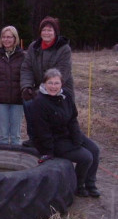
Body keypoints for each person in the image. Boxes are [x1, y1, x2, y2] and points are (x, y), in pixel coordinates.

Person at [31, 68, 100, 198]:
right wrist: (48, 151)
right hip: (54, 141)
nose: (53, 86)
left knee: (94, 150)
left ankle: (90, 184)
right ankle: (78, 187)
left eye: (56, 83)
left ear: (61, 84)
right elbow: (41, 131)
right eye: (50, 83)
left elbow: (73, 119)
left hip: (68, 134)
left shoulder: (66, 95)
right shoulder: (39, 102)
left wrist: (77, 138)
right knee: (86, 157)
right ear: (44, 83)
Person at [20, 16, 74, 147]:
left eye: (50, 30)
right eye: (44, 30)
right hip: (40, 89)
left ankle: (57, 142)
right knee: (28, 102)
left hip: (59, 89)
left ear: (55, 32)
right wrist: (27, 87)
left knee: (52, 115)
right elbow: (26, 68)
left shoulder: (63, 48)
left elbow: (61, 73)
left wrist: (41, 91)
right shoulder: (34, 47)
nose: (46, 33)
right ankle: (34, 138)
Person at [0, 26, 25, 144]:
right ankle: (2, 160)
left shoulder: (23, 56)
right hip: (1, 100)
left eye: (9, 37)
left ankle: (16, 161)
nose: (6, 40)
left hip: (18, 100)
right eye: (4, 37)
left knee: (15, 136)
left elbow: (27, 75)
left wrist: (23, 90)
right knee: (3, 135)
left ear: (15, 39)